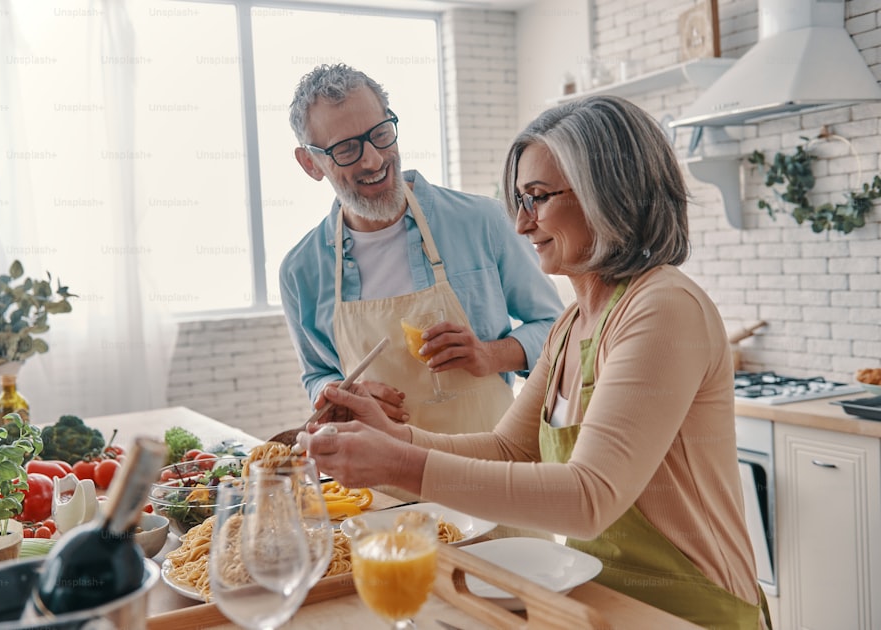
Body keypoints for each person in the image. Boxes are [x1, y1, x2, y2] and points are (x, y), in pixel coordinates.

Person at [300, 95, 770, 629]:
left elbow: (588, 497)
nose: (523, 225)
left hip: (687, 610)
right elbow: (509, 450)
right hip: (597, 600)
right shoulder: (572, 325)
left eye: (539, 198)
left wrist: (395, 464)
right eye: (520, 200)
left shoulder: (661, 307)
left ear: (609, 194)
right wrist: (393, 438)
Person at [280, 64, 563, 435]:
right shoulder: (300, 271)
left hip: (489, 473)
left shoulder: (483, 221)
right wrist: (337, 394)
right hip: (378, 484)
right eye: (346, 149)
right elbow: (318, 374)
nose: (374, 159)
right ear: (310, 163)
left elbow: (558, 333)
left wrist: (490, 354)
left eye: (380, 134)